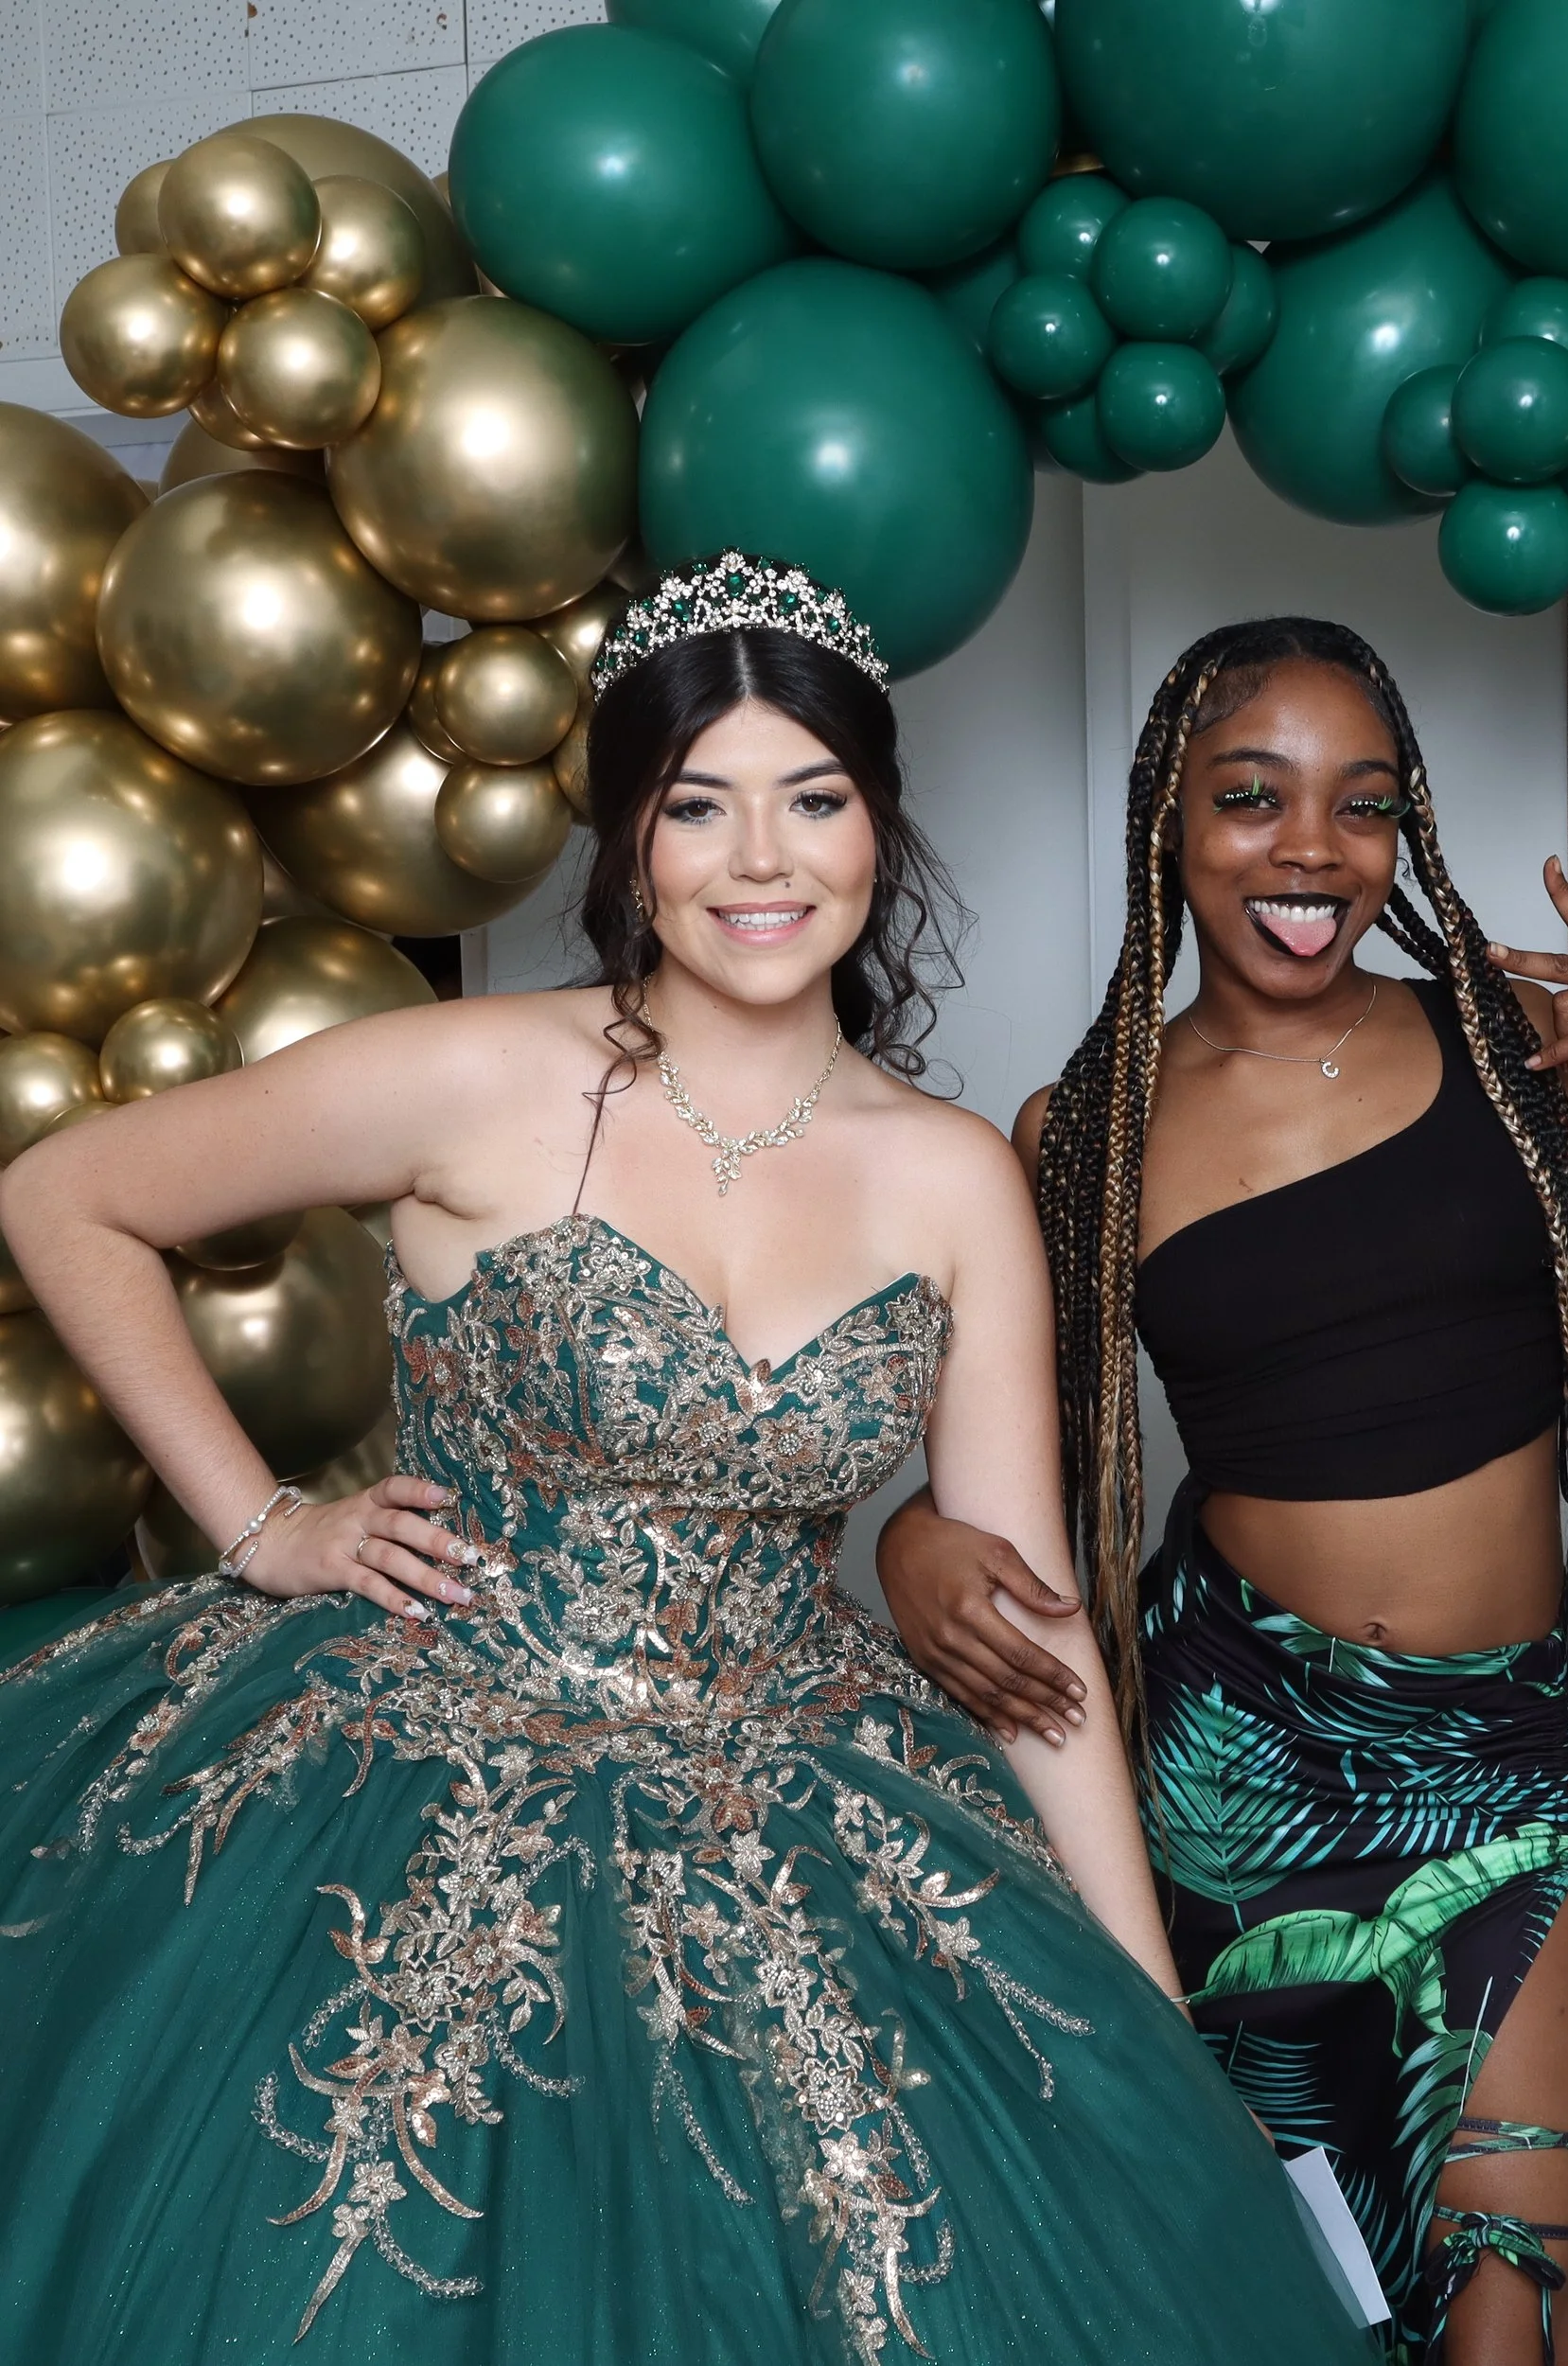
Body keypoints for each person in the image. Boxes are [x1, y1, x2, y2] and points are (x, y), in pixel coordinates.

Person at [0, 556, 1372, 2366]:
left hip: (801, 1810)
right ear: (627, 839)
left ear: (878, 825)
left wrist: (1149, 2006)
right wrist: (263, 1528)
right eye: (697, 805)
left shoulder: (954, 1175)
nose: (761, 861)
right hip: (417, 1776)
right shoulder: (469, 1075)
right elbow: (68, 1194)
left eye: (814, 800)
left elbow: (1034, 1628)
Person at [877, 617, 1568, 2364]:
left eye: (1362, 805)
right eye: (1250, 797)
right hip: (1236, 1770)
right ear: (1171, 823)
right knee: (1290, 2290)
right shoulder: (1086, 1130)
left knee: (1506, 2302)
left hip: (1498, 1760)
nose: (1310, 851)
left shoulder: (1508, 1044)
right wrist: (912, 1544)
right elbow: (1018, 1474)